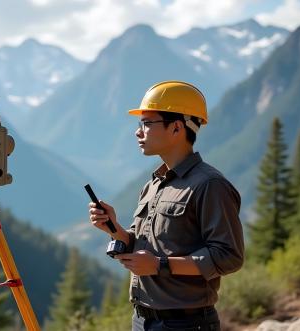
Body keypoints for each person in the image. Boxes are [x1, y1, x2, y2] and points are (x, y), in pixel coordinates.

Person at [88, 81, 244, 331]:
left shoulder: (209, 185)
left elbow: (228, 257)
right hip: (142, 320)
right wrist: (113, 227)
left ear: (176, 128)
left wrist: (160, 265)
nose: (138, 132)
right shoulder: (154, 183)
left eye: (147, 124)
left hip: (186, 324)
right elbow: (142, 245)